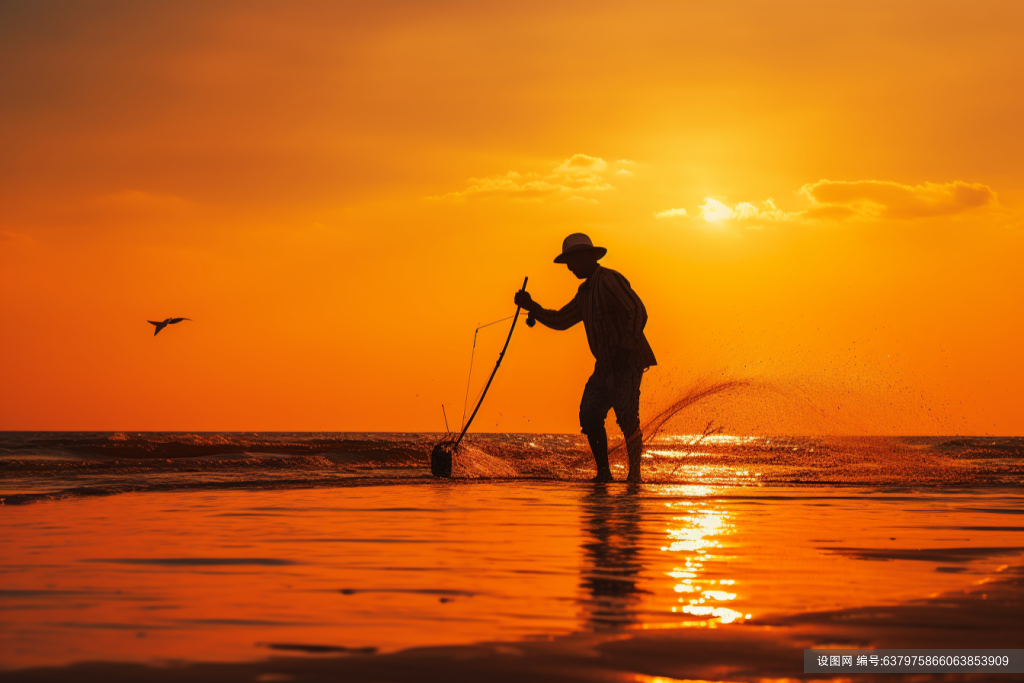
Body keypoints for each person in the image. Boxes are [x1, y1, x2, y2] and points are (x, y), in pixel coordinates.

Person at [514, 233, 656, 483]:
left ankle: (635, 475)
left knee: (626, 416)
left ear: (586, 257)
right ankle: (604, 473)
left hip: (628, 361)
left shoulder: (609, 280)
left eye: (571, 261)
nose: (569, 267)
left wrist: (625, 347)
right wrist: (531, 306)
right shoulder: (585, 293)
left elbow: (637, 311)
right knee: (589, 415)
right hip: (604, 367)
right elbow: (561, 320)